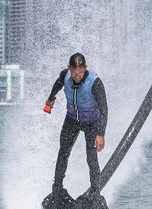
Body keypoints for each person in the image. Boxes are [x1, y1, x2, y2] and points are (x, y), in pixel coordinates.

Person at [44, 52, 108, 199]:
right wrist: (50, 100)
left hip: (92, 122)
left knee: (91, 158)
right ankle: (57, 189)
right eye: (74, 72)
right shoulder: (65, 76)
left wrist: (101, 134)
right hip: (72, 120)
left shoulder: (95, 83)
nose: (77, 75)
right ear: (69, 68)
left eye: (80, 72)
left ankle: (95, 192)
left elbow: (104, 109)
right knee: (63, 152)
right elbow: (57, 85)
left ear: (85, 68)